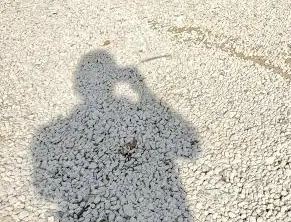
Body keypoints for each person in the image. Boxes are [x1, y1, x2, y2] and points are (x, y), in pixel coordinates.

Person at [31, 50, 200, 221]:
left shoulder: (50, 131)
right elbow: (190, 148)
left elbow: (44, 189)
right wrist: (142, 90)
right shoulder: (127, 110)